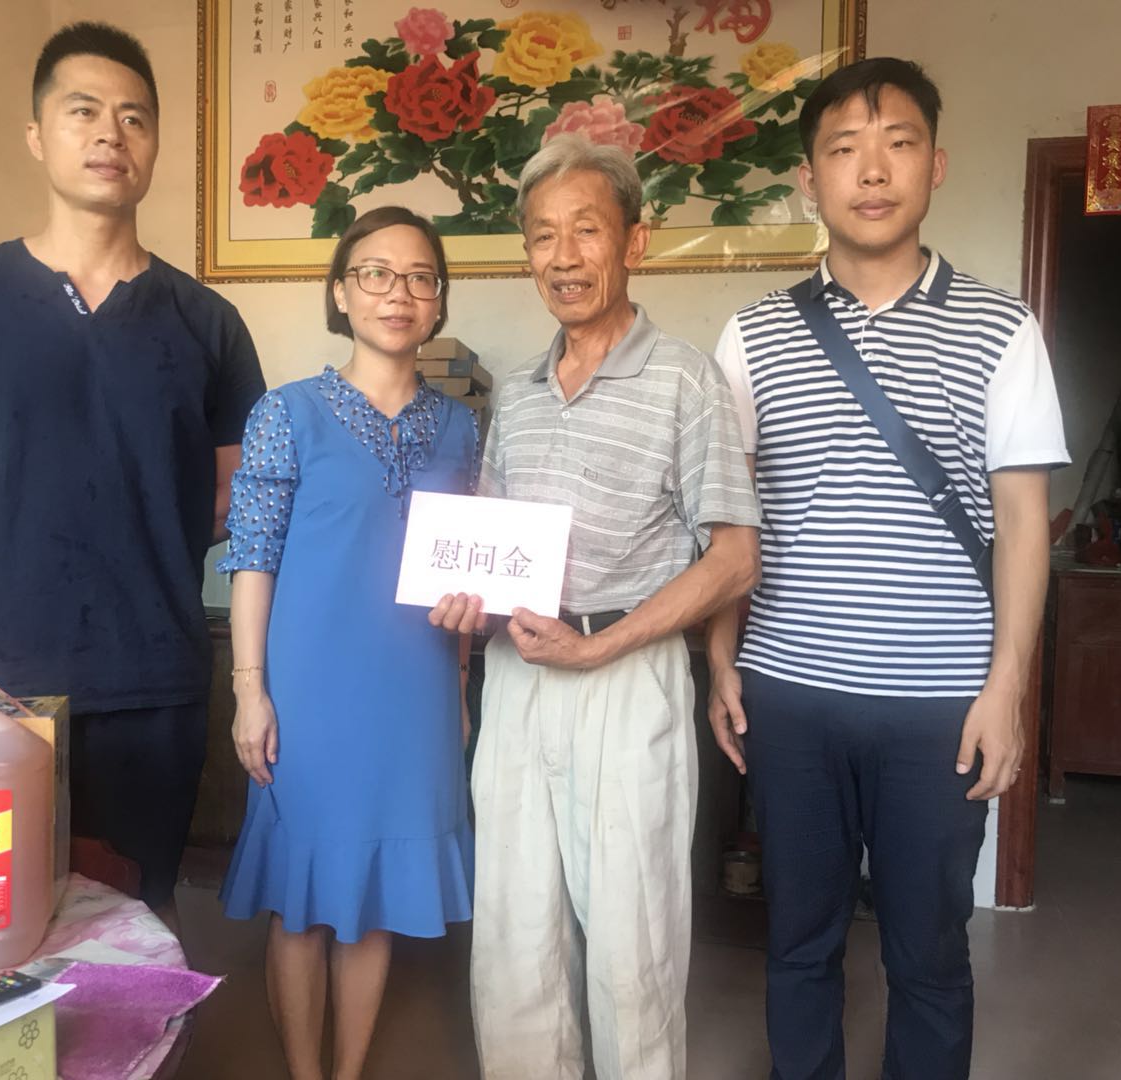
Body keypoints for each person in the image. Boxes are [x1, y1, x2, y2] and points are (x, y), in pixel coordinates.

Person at [0, 22, 266, 923]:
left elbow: (241, 500)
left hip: (152, 685)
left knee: (130, 933)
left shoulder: (208, 324)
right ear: (37, 135)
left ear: (155, 145)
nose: (111, 133)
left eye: (135, 117)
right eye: (84, 111)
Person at [708, 58, 1070, 1079]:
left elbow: (1024, 524)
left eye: (898, 144)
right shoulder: (752, 335)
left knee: (929, 954)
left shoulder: (1003, 329)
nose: (872, 171)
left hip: (941, 704)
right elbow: (731, 516)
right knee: (798, 942)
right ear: (809, 179)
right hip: (790, 693)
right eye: (845, 150)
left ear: (935, 165)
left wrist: (1007, 690)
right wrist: (722, 661)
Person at [431, 134, 762, 1080]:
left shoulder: (686, 379)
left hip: (626, 674)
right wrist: (466, 608)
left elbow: (735, 557)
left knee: (632, 939)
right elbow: (494, 545)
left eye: (586, 230)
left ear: (635, 242)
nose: (564, 256)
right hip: (519, 674)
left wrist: (602, 645)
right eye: (543, 235)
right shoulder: (520, 394)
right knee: (513, 933)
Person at [219, 206, 477, 1080]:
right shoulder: (286, 413)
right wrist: (249, 689)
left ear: (438, 300)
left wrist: (463, 677)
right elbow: (252, 558)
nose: (397, 293)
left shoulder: (461, 427)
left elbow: (466, 567)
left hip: (416, 693)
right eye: (375, 273)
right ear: (340, 292)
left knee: (372, 903)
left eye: (419, 277)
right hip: (309, 693)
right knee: (302, 903)